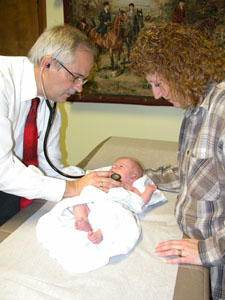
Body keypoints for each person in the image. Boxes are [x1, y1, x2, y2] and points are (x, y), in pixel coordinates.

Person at [130, 23, 225, 300]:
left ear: (182, 71)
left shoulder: (222, 111)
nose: (155, 95)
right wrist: (140, 177)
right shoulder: (197, 108)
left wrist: (207, 251)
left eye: (158, 83)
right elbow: (192, 174)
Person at [0, 25, 121, 226]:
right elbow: (2, 171)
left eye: (84, 79)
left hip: (12, 190)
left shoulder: (48, 99)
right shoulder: (2, 82)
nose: (79, 87)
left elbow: (50, 166)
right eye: (75, 77)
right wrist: (72, 188)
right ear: (48, 64)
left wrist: (92, 179)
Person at [73, 157, 157, 244]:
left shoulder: (129, 187)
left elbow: (140, 201)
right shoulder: (104, 179)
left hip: (113, 206)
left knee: (116, 215)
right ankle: (84, 220)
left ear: (132, 178)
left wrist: (148, 190)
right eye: (114, 166)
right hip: (95, 204)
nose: (114, 167)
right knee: (78, 203)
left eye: (121, 166)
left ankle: (101, 233)